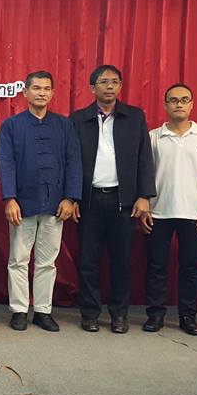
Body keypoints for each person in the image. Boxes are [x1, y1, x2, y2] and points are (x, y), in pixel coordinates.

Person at [70, 64, 155, 333]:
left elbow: (144, 158)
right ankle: (90, 314)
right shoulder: (78, 119)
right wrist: (72, 197)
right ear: (92, 88)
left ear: (120, 86)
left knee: (122, 262)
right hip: (89, 200)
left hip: (123, 201)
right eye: (104, 82)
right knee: (88, 261)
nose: (110, 86)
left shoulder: (134, 117)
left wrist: (144, 195)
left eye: (115, 82)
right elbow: (70, 161)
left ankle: (119, 315)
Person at [138, 83, 197, 336]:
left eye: (184, 99)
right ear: (165, 105)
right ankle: (155, 314)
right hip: (158, 212)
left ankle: (188, 316)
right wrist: (145, 204)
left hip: (195, 214)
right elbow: (143, 173)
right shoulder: (153, 137)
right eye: (174, 100)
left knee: (190, 267)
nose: (179, 104)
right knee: (156, 266)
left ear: (192, 104)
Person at [0, 71, 82, 332]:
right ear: (25, 92)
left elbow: (74, 162)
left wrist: (70, 198)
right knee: (18, 259)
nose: (41, 93)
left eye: (46, 88)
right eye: (36, 88)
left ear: (52, 93)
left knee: (47, 261)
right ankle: (19, 310)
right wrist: (9, 198)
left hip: (55, 203)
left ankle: (43, 311)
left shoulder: (64, 125)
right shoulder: (11, 125)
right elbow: (6, 163)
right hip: (22, 204)